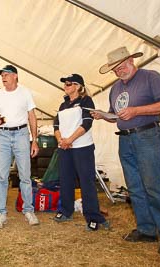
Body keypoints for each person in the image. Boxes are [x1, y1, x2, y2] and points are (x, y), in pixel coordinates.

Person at [94, 46, 160, 255]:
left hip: (146, 136)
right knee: (135, 187)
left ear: (131, 60)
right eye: (114, 69)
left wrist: (137, 111)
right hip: (125, 140)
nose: (118, 71)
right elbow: (116, 115)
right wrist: (103, 115)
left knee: (153, 185)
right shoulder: (115, 88)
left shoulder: (150, 77)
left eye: (120, 66)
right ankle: (146, 230)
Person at [53, 74, 109, 231]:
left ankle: (93, 217)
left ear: (78, 86)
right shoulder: (63, 105)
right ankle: (65, 211)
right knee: (65, 180)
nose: (66, 85)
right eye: (65, 83)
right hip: (64, 148)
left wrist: (69, 139)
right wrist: (61, 141)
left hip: (82, 147)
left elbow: (87, 123)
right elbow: (56, 125)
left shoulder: (86, 101)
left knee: (86, 182)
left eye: (69, 83)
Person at [0, 65, 40, 229]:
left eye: (6, 74)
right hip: (3, 135)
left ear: (15, 76)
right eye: (2, 75)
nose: (3, 77)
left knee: (25, 175)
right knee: (1, 176)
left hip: (21, 134)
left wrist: (34, 140)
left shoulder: (25, 93)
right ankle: (0, 213)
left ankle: (28, 210)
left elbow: (32, 116)